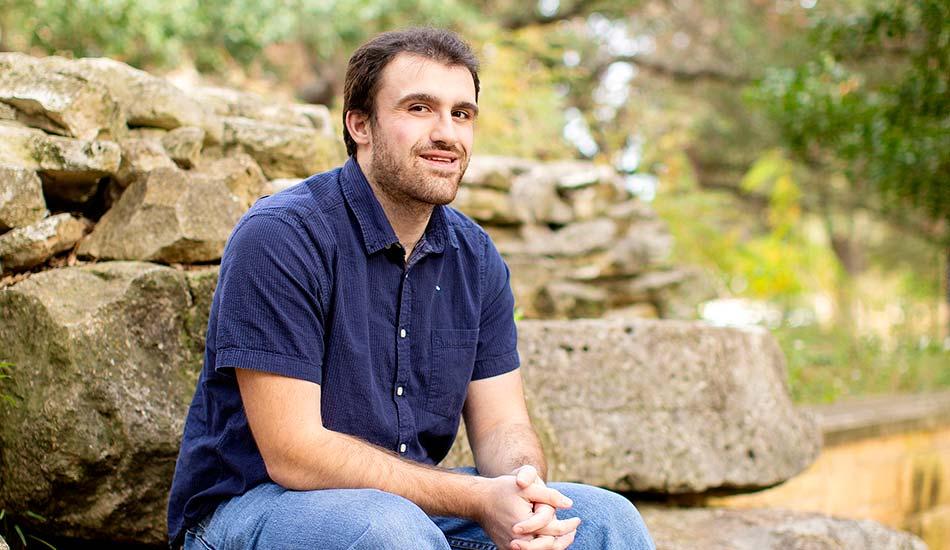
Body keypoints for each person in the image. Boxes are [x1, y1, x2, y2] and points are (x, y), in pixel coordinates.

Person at [167, 27, 655, 550]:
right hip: (250, 510)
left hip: (411, 514)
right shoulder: (284, 236)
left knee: (604, 520)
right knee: (389, 530)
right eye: (419, 109)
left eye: (461, 113)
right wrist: (473, 498)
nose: (447, 133)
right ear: (361, 125)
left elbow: (502, 428)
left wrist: (524, 493)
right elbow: (295, 453)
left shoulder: (476, 257)